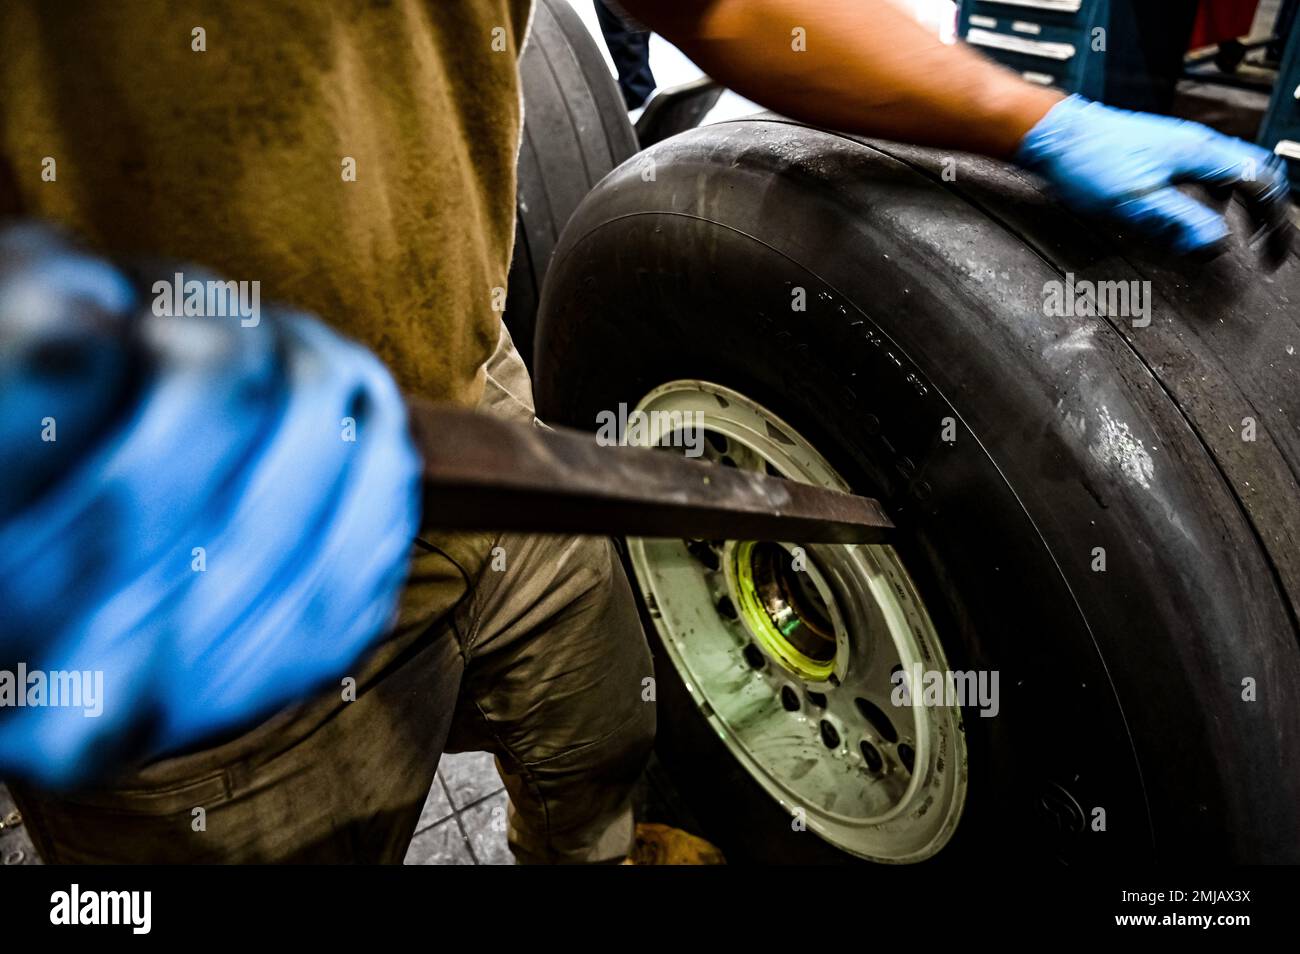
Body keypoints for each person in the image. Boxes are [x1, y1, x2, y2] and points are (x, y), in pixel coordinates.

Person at [0, 0, 1287, 865]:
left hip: (478, 413)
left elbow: (726, 9)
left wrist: (1031, 121)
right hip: (152, 543)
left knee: (607, 744)